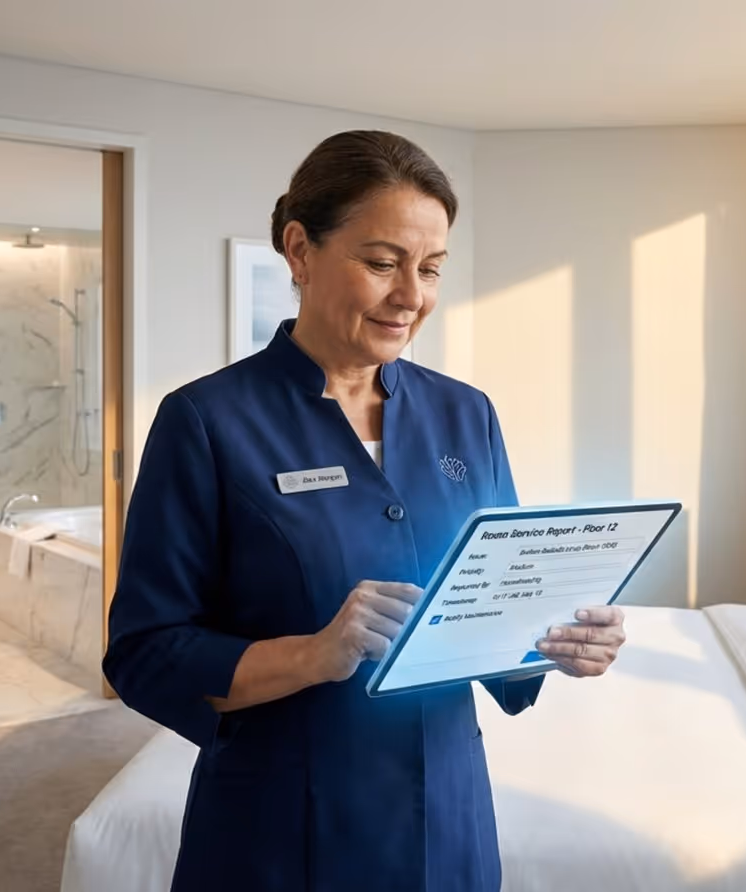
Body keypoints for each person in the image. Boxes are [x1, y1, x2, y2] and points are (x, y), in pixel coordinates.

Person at [104, 130, 628, 892]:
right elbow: (145, 654)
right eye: (382, 263)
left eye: (431, 268)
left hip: (446, 814)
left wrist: (559, 641)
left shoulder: (465, 415)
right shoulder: (206, 421)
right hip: (280, 830)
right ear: (300, 250)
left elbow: (498, 607)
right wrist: (314, 653)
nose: (411, 295)